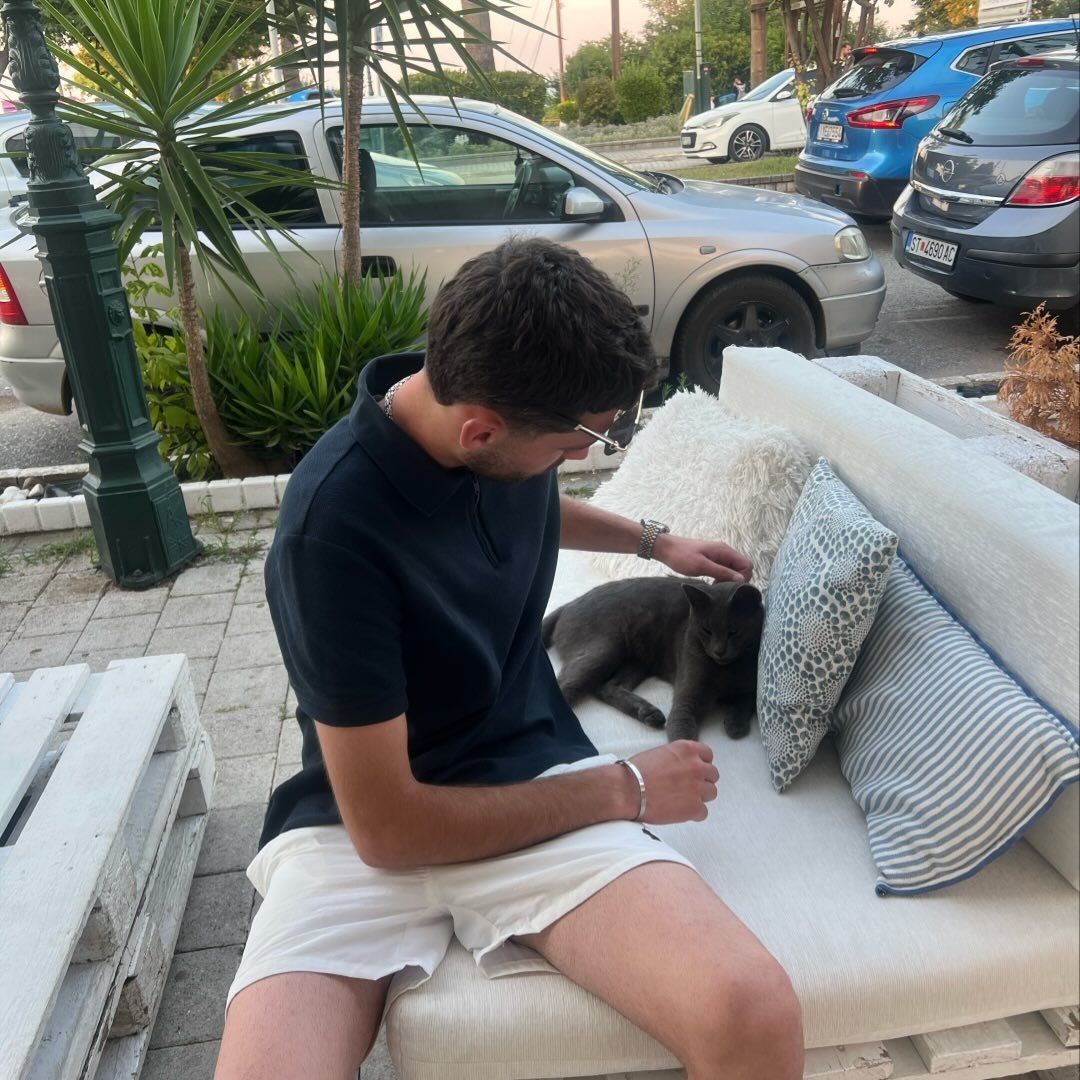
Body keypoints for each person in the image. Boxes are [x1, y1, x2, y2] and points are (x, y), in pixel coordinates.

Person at [214, 238, 804, 1080]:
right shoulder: (328, 538)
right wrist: (627, 787)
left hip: (527, 774)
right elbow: (388, 831)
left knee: (755, 1012)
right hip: (364, 826)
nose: (585, 455)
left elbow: (527, 496)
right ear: (481, 431)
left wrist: (655, 542)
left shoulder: (478, 412)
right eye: (576, 443)